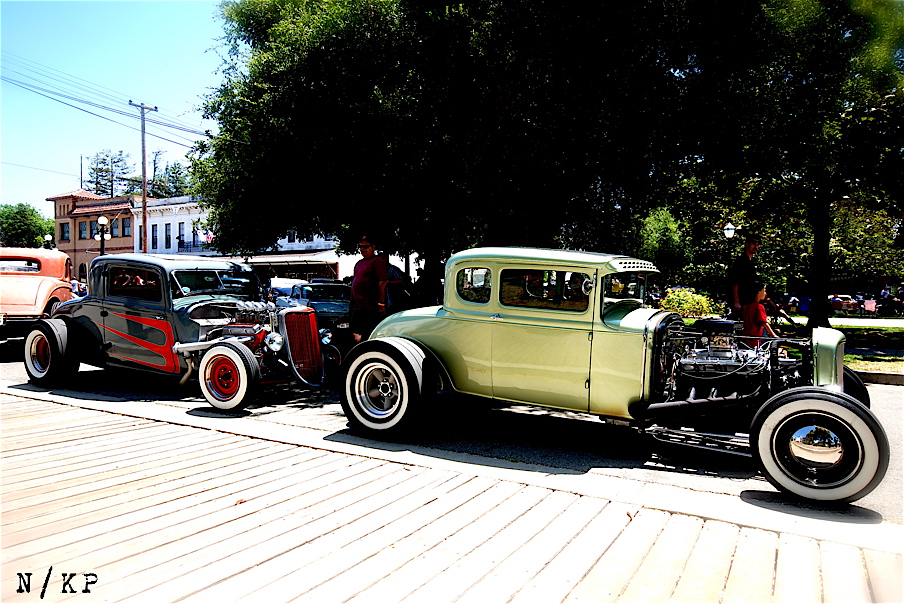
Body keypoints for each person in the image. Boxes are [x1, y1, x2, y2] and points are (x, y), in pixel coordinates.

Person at [350, 235, 389, 343]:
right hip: (357, 306)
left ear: (373, 247)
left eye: (366, 247)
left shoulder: (377, 262)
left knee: (369, 333)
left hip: (370, 306)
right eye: (361, 247)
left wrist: (381, 304)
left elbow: (382, 282)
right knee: (354, 332)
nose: (362, 249)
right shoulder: (359, 263)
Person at [727, 234, 761, 320]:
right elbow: (734, 282)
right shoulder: (741, 261)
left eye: (758, 244)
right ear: (747, 244)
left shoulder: (751, 262)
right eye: (753, 243)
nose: (755, 246)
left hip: (750, 300)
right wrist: (736, 301)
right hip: (742, 300)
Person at [743, 281, 777, 348]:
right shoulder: (759, 307)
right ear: (758, 292)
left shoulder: (746, 306)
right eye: (764, 291)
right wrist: (774, 336)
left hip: (746, 336)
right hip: (756, 337)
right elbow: (764, 323)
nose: (765, 293)